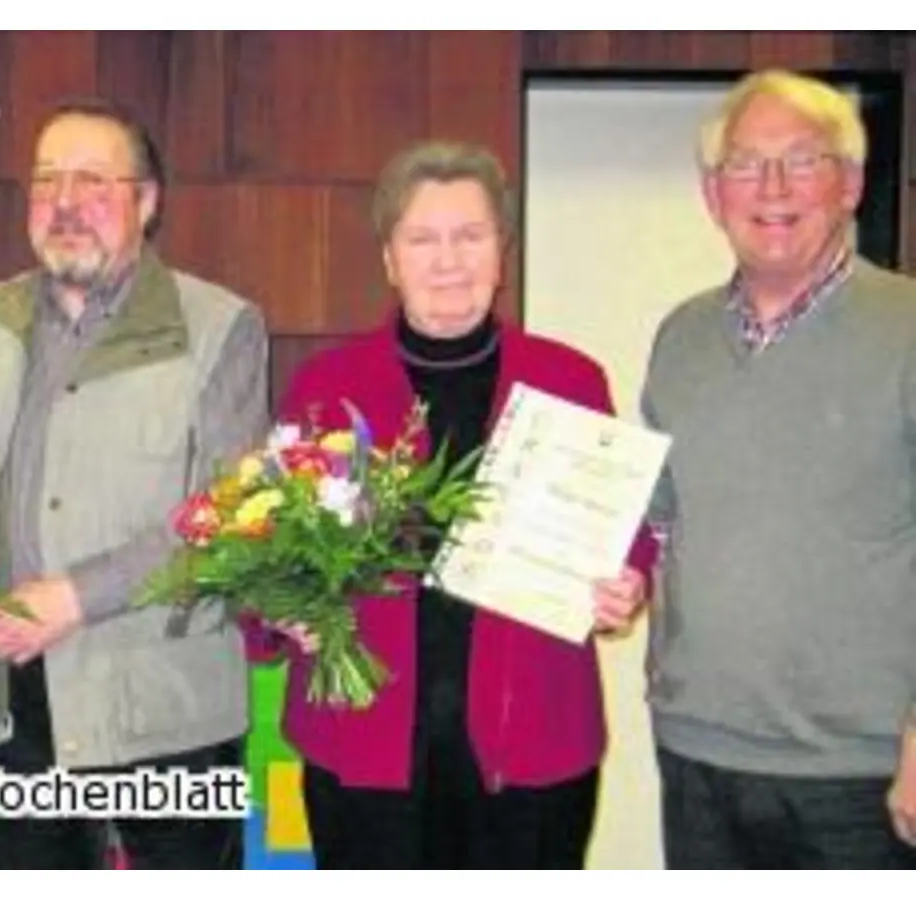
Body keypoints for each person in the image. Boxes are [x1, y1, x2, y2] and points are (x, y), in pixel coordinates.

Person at [247, 139, 659, 869]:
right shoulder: (327, 386)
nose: (448, 260)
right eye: (422, 238)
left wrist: (628, 581)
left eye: (470, 236)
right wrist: (281, 610)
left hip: (531, 744)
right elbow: (262, 550)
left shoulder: (568, 379)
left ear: (502, 251)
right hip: (364, 748)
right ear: (388, 259)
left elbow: (622, 530)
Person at [0, 97, 270, 869]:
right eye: (47, 183)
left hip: (165, 715)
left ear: (146, 202)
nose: (66, 204)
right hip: (14, 708)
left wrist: (74, 597)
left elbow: (232, 518)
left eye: (93, 182)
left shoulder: (219, 326)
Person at [640, 69, 916, 869]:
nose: (771, 187)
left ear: (852, 184)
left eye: (801, 160)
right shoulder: (680, 338)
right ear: (712, 192)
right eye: (744, 164)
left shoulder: (905, 330)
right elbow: (656, 522)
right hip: (697, 754)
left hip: (861, 772)